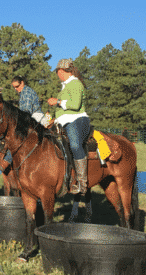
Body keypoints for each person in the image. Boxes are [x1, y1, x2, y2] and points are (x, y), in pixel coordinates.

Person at [48, 58, 90, 195]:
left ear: (63, 71)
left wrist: (58, 101)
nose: (57, 75)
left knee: (75, 145)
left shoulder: (75, 84)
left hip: (76, 119)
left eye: (58, 72)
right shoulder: (66, 85)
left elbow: (75, 105)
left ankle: (82, 184)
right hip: (63, 121)